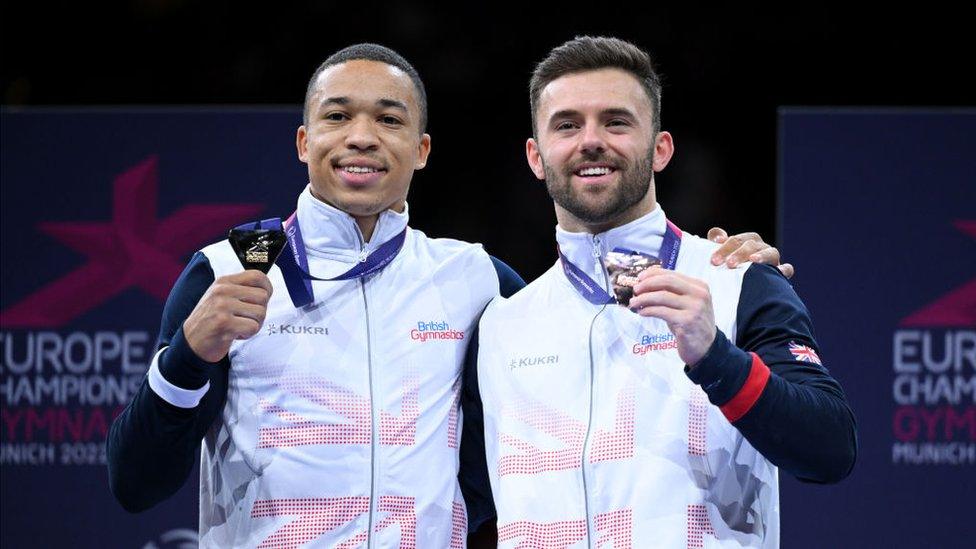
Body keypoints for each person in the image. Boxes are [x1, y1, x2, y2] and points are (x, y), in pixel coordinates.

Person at [107, 43, 789, 547]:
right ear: (303, 140)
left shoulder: (473, 280)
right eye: (338, 116)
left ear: (423, 148)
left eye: (390, 119)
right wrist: (186, 359)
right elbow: (134, 482)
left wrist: (730, 265)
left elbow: (578, 326)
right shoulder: (229, 270)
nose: (362, 137)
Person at [474, 36, 857, 548]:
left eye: (616, 121)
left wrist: (716, 358)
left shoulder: (738, 280)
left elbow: (831, 450)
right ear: (536, 156)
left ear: (660, 149)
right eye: (567, 125)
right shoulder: (503, 323)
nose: (591, 140)